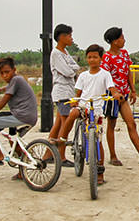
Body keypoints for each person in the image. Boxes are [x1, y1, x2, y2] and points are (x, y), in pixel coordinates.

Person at [59, 44, 121, 185]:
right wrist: (75, 101)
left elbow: (112, 88)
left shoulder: (105, 74)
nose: (92, 60)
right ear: (86, 59)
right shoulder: (83, 75)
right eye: (89, 57)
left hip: (97, 110)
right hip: (84, 105)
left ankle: (100, 173)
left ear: (101, 59)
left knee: (98, 141)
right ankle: (63, 138)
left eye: (95, 57)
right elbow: (79, 93)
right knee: (74, 112)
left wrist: (116, 94)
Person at [101, 27, 139, 165]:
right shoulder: (107, 57)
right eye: (121, 38)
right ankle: (113, 156)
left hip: (124, 94)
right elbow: (105, 77)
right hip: (112, 95)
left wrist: (133, 90)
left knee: (131, 123)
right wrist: (114, 91)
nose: (124, 40)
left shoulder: (124, 54)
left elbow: (128, 72)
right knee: (112, 124)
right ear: (114, 41)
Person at [0, 57, 38, 165]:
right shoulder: (17, 80)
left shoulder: (16, 80)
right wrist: (0, 89)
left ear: (14, 70)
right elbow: (9, 88)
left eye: (7, 72)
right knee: (13, 140)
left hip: (20, 115)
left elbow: (3, 102)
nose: (5, 75)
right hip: (30, 116)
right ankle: (22, 170)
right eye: (2, 73)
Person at [48, 23, 80, 166]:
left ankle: (47, 154)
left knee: (58, 124)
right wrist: (72, 70)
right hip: (62, 92)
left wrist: (71, 69)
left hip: (68, 91)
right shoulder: (56, 53)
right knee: (65, 124)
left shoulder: (65, 53)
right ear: (62, 37)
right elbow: (68, 71)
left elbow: (75, 67)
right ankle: (60, 157)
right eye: (69, 36)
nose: (71, 39)